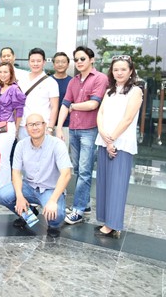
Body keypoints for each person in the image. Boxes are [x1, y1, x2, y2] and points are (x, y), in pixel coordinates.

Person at [0, 113, 72, 238]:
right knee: (2, 195)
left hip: (50, 189)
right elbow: (16, 172)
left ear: (45, 125)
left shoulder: (57, 144)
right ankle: (29, 215)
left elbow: (66, 174)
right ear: (26, 128)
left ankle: (53, 225)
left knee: (56, 214)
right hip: (29, 186)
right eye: (31, 125)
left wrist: (53, 200)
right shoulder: (21, 145)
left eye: (38, 124)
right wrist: (20, 197)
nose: (35, 127)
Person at [56, 46, 108, 225]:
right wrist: (58, 128)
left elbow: (93, 104)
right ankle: (84, 205)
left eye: (82, 59)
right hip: (74, 129)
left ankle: (77, 210)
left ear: (92, 59)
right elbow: (65, 104)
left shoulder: (100, 78)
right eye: (76, 59)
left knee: (85, 171)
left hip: (89, 130)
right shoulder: (74, 81)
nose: (79, 62)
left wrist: (74, 106)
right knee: (78, 169)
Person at [94, 55, 143, 238]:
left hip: (121, 144)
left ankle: (113, 224)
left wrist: (112, 139)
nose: (119, 73)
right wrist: (104, 135)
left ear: (130, 71)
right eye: (116, 69)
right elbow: (100, 114)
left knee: (117, 185)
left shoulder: (135, 91)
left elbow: (128, 118)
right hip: (104, 141)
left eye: (123, 69)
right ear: (111, 72)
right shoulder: (109, 91)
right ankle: (105, 219)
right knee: (104, 183)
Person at [0, 62, 26, 189]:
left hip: (8, 125)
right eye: (0, 72)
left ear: (11, 73)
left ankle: (3, 187)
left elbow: (19, 111)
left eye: (5, 72)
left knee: (4, 158)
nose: (2, 74)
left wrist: (15, 128)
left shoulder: (14, 89)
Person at [18, 48, 59, 141]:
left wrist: (50, 128)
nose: (35, 64)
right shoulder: (21, 80)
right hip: (23, 126)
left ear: (44, 62)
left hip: (42, 127)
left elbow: (54, 107)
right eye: (32, 61)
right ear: (29, 62)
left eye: (38, 61)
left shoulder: (51, 82)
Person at [52, 52, 72, 149]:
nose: (60, 64)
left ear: (68, 64)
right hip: (49, 124)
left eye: (63, 62)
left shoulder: (72, 82)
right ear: (53, 64)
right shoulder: (48, 81)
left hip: (66, 125)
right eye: (57, 62)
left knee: (63, 153)